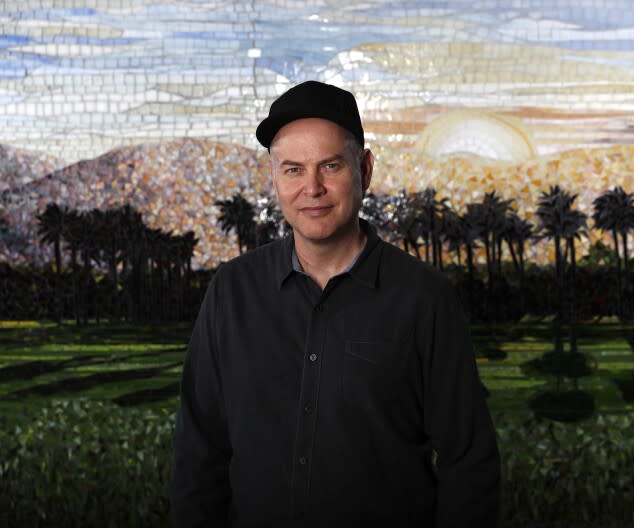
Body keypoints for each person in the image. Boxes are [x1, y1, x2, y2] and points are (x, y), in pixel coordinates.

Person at [169, 80, 501, 527]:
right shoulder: (232, 292)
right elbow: (199, 453)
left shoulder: (425, 299)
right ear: (274, 179)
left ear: (364, 170)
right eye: (292, 169)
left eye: (330, 166)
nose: (312, 188)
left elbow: (469, 462)